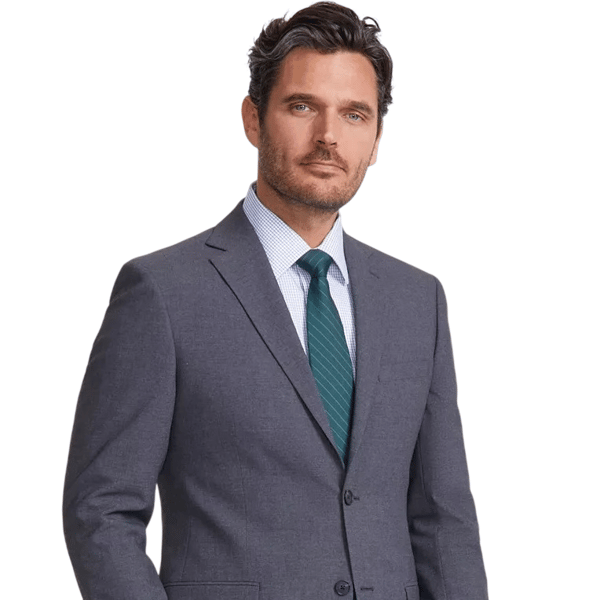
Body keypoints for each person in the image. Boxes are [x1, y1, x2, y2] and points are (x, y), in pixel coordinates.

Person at [62, 3, 488, 599]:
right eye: (302, 106)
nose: (328, 136)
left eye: (354, 114)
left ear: (375, 140)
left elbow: (444, 521)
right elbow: (101, 512)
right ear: (253, 119)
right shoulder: (162, 293)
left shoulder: (418, 301)